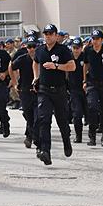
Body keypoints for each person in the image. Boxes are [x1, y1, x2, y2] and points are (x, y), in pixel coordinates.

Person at [32, 24, 76, 165]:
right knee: (44, 120)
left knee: (62, 120)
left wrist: (56, 66)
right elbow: (35, 63)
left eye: (51, 33)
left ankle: (66, 141)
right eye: (46, 33)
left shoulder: (63, 50)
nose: (48, 36)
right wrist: (36, 77)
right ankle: (46, 151)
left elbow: (72, 66)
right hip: (44, 90)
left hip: (59, 90)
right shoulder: (40, 50)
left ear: (56, 35)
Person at [10, 36, 39, 149]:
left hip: (38, 91)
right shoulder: (22, 59)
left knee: (37, 117)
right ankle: (29, 136)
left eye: (34, 46)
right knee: (29, 115)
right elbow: (11, 67)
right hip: (25, 91)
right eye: (29, 47)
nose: (32, 49)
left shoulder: (42, 57)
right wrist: (14, 83)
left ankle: (32, 137)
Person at [67, 38, 87, 143]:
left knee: (90, 113)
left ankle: (92, 135)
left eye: (78, 48)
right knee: (77, 114)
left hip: (86, 89)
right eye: (74, 48)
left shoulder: (85, 57)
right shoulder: (68, 57)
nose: (76, 50)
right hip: (74, 90)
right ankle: (78, 136)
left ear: (81, 48)